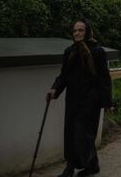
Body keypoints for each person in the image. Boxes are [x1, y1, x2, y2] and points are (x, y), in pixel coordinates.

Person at [46, 20, 113, 177]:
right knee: (71, 133)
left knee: (82, 134)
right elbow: (64, 76)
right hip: (73, 99)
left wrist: (108, 102)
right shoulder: (70, 51)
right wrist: (55, 89)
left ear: (87, 31)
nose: (77, 33)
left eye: (80, 30)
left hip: (91, 100)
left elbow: (104, 78)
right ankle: (87, 166)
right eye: (75, 30)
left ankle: (76, 167)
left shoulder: (97, 52)